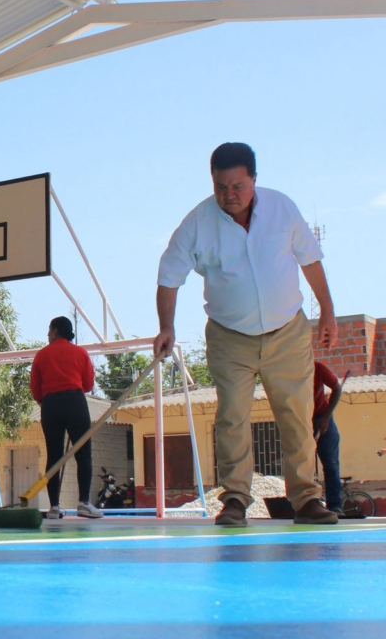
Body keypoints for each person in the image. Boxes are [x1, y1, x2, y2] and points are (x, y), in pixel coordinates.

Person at [154, 142, 339, 527]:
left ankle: (306, 499)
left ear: (254, 179)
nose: (229, 195)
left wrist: (328, 313)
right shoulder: (197, 223)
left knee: (296, 415)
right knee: (232, 415)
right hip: (228, 336)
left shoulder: (282, 208)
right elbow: (169, 276)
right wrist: (167, 327)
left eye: (237, 185)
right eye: (220, 186)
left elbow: (310, 258)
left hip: (287, 331)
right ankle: (235, 499)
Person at [30, 316, 104, 520]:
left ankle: (54, 507)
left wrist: (47, 402)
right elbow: (88, 384)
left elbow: (36, 389)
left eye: (49, 330)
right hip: (75, 401)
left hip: (50, 404)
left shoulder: (42, 355)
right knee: (83, 454)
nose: (47, 334)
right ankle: (84, 503)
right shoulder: (80, 353)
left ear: (55, 331)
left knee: (54, 456)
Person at [312, 362, 345, 513]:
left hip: (322, 417)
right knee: (301, 464)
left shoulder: (317, 367)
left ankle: (334, 505)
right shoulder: (288, 369)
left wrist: (326, 417)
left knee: (330, 464)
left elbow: (337, 388)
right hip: (301, 420)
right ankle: (306, 503)